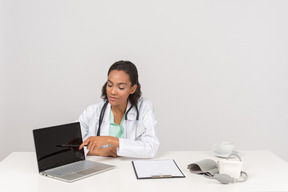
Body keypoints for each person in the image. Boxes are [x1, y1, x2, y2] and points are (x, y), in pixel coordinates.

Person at [78, 61, 159, 158]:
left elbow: (151, 148)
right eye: (110, 85)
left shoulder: (144, 107)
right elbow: (68, 145)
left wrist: (110, 140)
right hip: (102, 168)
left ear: (132, 89)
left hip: (130, 166)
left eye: (121, 87)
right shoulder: (92, 111)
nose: (112, 92)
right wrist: (99, 152)